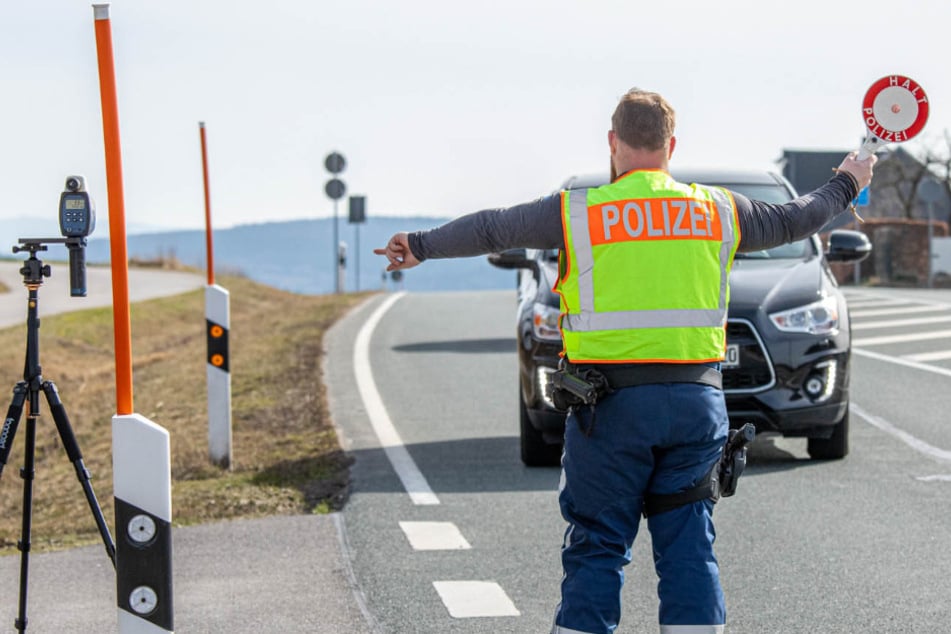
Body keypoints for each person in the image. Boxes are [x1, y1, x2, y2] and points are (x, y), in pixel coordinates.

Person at [374, 88, 875, 634]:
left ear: (612, 143)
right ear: (671, 146)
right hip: (695, 406)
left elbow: (494, 227)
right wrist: (848, 180)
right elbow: (796, 219)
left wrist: (420, 244)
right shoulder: (717, 210)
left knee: (598, 548)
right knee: (689, 548)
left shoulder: (577, 212)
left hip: (607, 411)